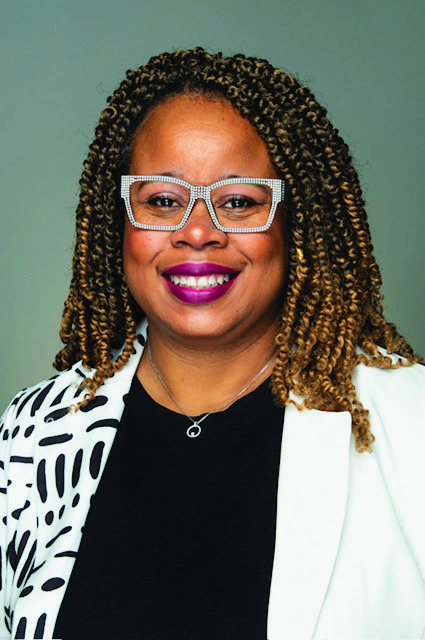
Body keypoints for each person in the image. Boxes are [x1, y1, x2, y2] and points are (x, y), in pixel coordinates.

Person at [1, 47, 424, 640]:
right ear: (119, 220)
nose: (197, 232)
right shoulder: (33, 434)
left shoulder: (411, 422)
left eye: (239, 201)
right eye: (162, 201)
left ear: (296, 222)